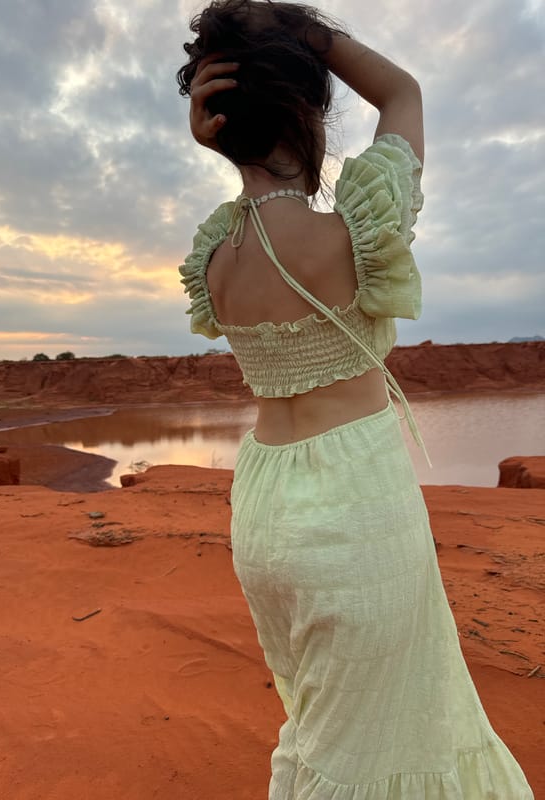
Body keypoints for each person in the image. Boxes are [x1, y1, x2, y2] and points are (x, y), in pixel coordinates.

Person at [177, 1, 535, 797]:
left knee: (317, 719)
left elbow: (254, 198)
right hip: (354, 510)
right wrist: (313, 32)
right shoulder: (353, 231)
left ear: (221, 123)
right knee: (373, 738)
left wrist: (228, 141)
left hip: (264, 509)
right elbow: (402, 93)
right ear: (306, 109)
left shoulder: (214, 259)